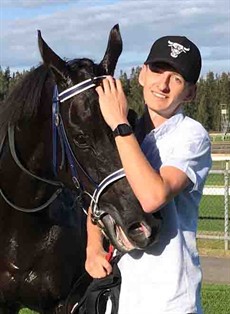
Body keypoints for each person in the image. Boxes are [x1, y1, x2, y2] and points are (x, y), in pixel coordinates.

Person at [85, 35, 212, 314]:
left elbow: (153, 197)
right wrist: (93, 247)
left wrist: (118, 124)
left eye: (177, 78)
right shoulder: (128, 132)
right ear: (142, 74)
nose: (163, 84)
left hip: (170, 301)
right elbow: (100, 194)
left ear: (190, 93)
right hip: (119, 298)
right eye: (157, 70)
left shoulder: (191, 135)